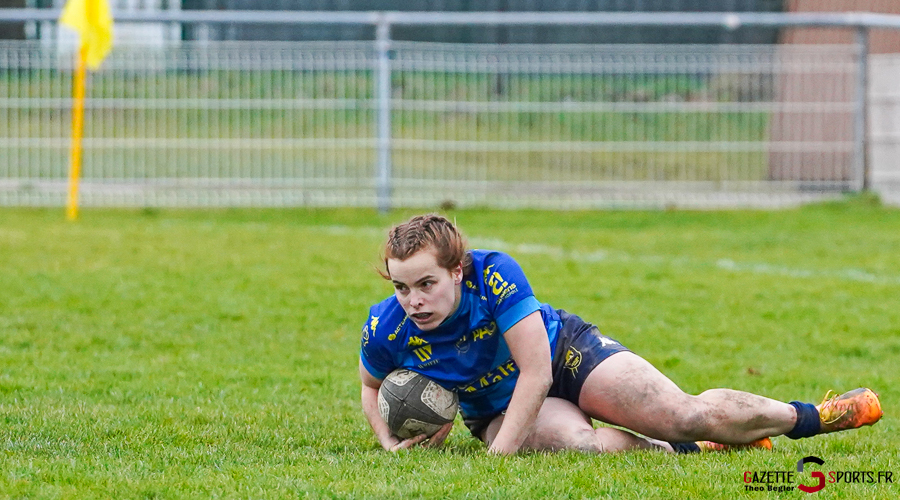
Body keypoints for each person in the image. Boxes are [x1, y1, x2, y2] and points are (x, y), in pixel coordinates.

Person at [359, 214, 883, 454]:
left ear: (456, 271)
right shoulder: (387, 324)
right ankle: (688, 450)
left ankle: (810, 416)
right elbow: (370, 385)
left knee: (684, 413)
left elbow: (537, 371)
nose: (414, 301)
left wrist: (497, 463)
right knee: (581, 446)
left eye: (426, 283)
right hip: (497, 408)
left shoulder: (494, 274)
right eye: (402, 287)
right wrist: (387, 442)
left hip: (564, 354)